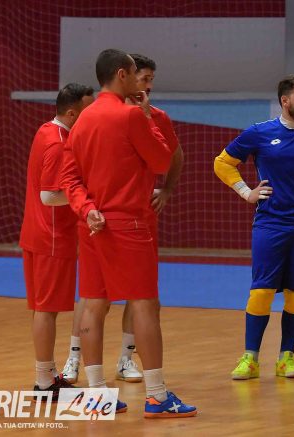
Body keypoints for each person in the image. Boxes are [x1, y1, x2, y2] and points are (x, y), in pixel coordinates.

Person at [60, 48, 197, 417]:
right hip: (129, 224)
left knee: (93, 304)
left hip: (91, 224)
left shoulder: (83, 119)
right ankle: (157, 396)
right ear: (121, 74)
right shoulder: (132, 115)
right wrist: (148, 118)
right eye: (136, 73)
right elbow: (162, 160)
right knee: (144, 305)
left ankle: (96, 394)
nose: (140, 81)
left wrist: (87, 210)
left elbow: (69, 179)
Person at [214, 74, 294, 380]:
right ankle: (251, 358)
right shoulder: (259, 133)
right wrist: (246, 192)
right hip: (271, 223)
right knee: (261, 291)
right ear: (285, 101)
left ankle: (287, 358)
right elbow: (222, 163)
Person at [19, 83, 94, 400]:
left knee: (42, 309)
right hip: (51, 237)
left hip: (37, 233)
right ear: (73, 112)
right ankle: (44, 382)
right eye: (88, 110)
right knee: (46, 310)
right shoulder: (58, 143)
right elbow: (49, 196)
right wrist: (88, 197)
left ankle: (47, 376)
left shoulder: (45, 130)